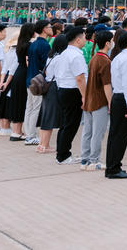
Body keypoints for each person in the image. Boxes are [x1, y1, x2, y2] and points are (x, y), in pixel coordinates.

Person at [105, 29, 127, 179]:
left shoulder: (120, 57)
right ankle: (113, 168)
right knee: (120, 135)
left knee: (115, 134)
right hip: (124, 98)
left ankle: (113, 166)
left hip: (119, 97)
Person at [53, 26, 88, 164]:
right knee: (71, 125)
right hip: (72, 91)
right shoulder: (76, 55)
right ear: (78, 40)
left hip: (63, 89)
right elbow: (80, 78)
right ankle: (63, 155)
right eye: (84, 37)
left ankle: (61, 153)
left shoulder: (65, 53)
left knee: (66, 123)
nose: (85, 40)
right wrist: (84, 96)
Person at [78, 30, 113, 170]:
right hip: (99, 101)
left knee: (88, 131)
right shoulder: (104, 60)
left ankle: (85, 160)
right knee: (98, 132)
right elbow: (106, 85)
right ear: (107, 43)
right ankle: (94, 160)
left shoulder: (94, 58)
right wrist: (110, 102)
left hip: (89, 100)